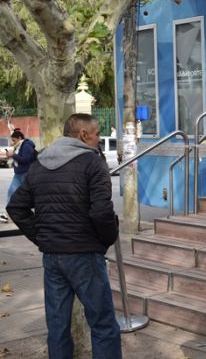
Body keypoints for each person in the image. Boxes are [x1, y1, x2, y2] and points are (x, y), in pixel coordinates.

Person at [7, 113, 121, 359]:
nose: (99, 139)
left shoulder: (40, 163)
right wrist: (106, 240)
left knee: (57, 327)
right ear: (83, 134)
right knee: (103, 325)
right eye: (97, 133)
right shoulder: (93, 163)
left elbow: (16, 207)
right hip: (85, 255)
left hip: (53, 256)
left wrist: (43, 237)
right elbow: (102, 212)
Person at [1, 129, 37, 222]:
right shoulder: (18, 146)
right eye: (12, 140)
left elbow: (25, 159)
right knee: (11, 192)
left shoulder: (27, 145)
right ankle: (9, 213)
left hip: (26, 173)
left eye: (14, 140)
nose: (12, 142)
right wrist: (11, 155)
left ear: (19, 138)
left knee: (30, 194)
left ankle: (34, 212)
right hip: (18, 174)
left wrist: (13, 155)